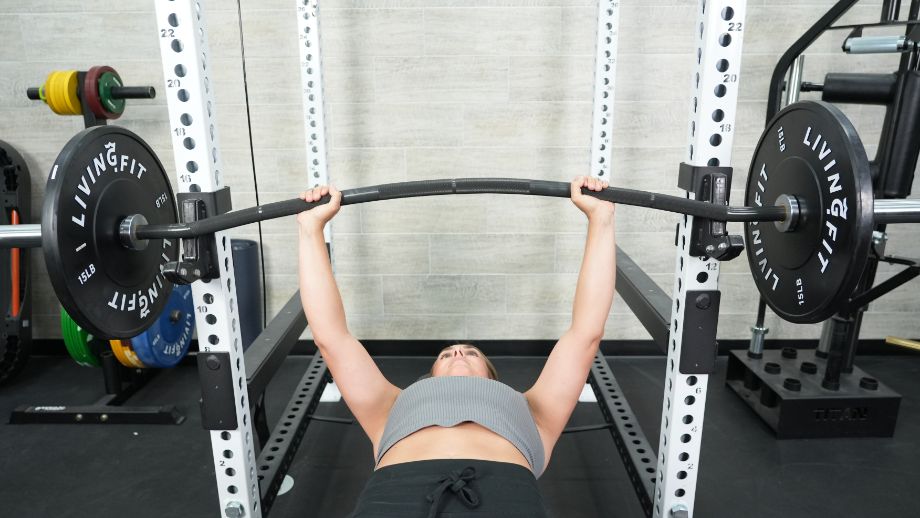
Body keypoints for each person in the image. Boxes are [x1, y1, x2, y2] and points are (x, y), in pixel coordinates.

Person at [297, 176, 616, 517]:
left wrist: (601, 219)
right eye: (446, 354)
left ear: (494, 379)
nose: (458, 353)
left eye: (470, 352)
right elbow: (331, 339)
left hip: (505, 497)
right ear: (430, 377)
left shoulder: (532, 408)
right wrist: (310, 228)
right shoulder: (392, 405)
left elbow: (586, 334)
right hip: (395, 494)